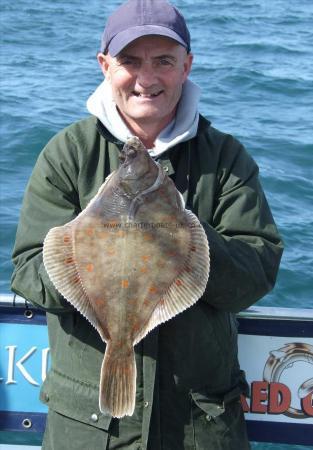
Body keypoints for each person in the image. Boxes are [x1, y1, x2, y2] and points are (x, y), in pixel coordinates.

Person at [11, 1, 283, 449]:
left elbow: (254, 275)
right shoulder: (68, 154)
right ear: (104, 65)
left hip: (199, 425)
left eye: (163, 61)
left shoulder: (227, 159)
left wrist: (182, 236)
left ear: (186, 66)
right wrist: (83, 249)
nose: (146, 78)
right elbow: (26, 271)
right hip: (88, 428)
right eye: (130, 62)